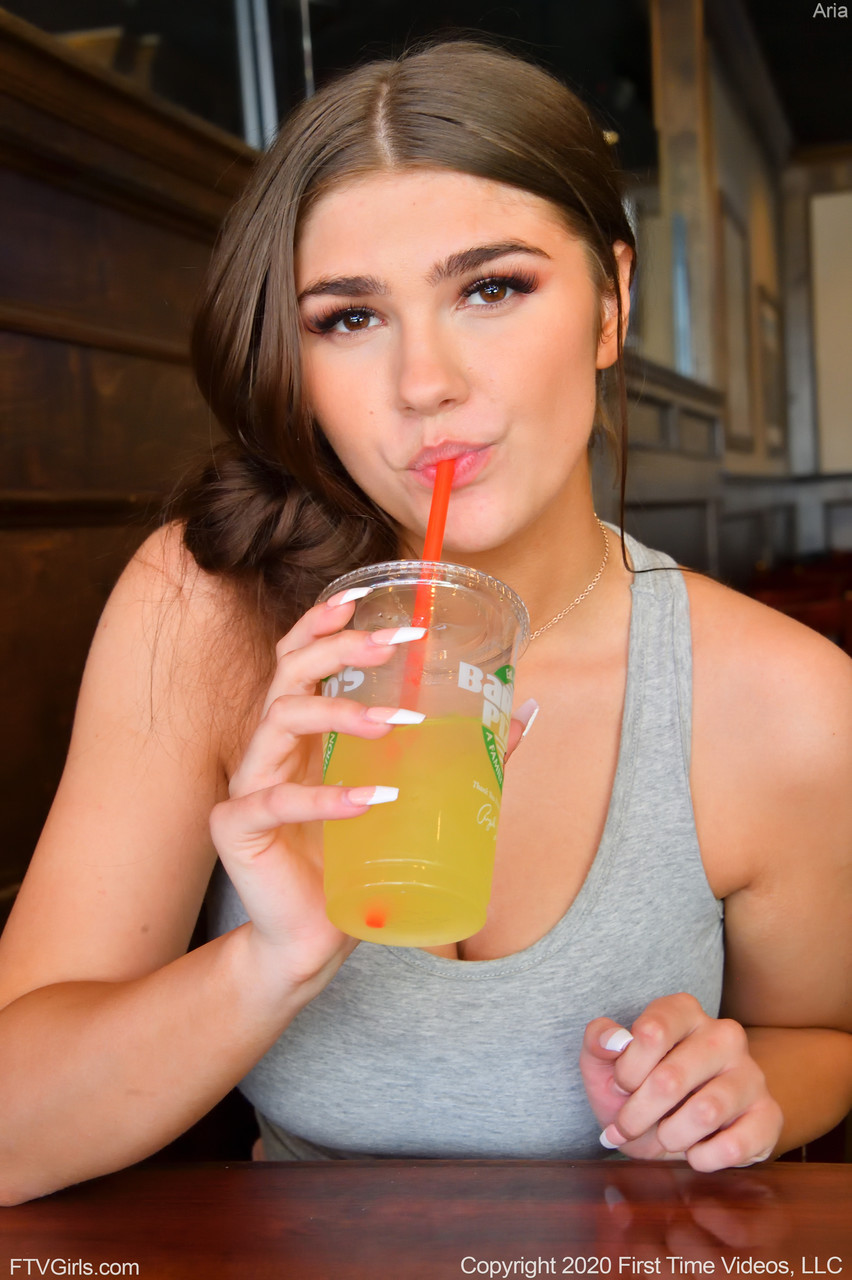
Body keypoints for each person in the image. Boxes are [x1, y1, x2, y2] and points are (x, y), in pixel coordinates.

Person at [0, 40, 850, 1206]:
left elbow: (824, 1035)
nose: (424, 382)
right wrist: (269, 961)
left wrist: (745, 1090)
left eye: (491, 288)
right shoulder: (208, 613)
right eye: (349, 317)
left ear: (612, 304)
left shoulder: (791, 702)